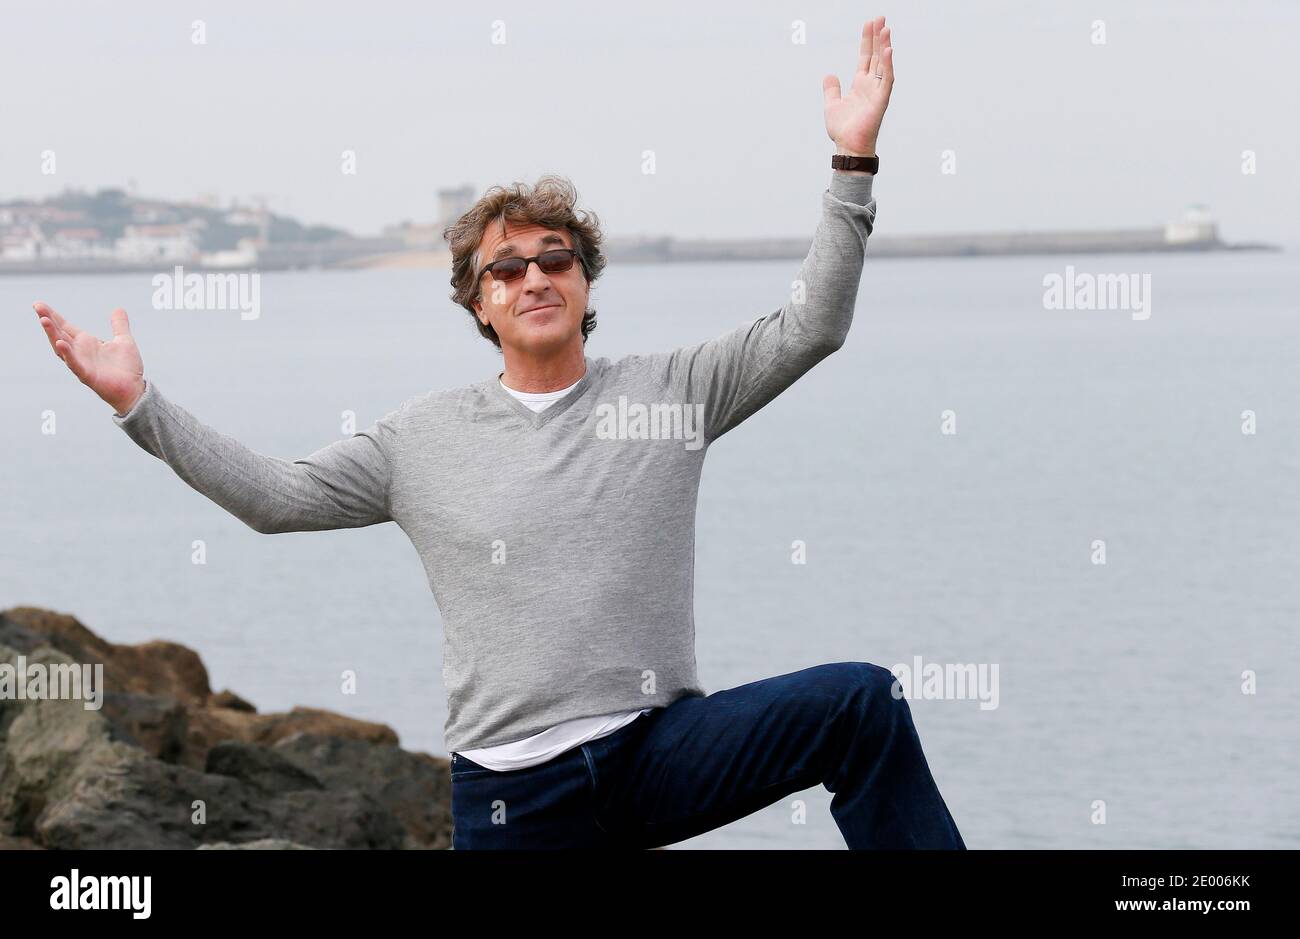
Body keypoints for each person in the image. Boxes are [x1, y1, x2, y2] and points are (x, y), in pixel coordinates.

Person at [35, 15, 963, 849]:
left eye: (555, 257)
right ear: (480, 305)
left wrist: (852, 165)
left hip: (658, 752)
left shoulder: (676, 391)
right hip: (514, 796)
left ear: (587, 281)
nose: (534, 278)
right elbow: (274, 500)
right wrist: (140, 405)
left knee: (860, 702)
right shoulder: (419, 439)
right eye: (506, 268)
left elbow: (814, 326)